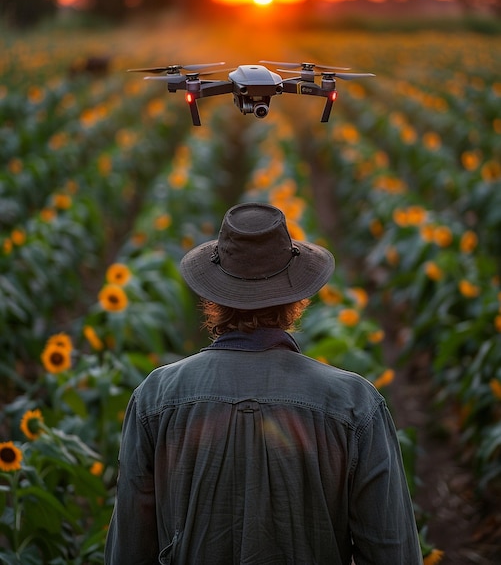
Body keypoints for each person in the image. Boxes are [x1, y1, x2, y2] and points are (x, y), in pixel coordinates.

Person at [104, 202, 422, 565]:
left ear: (213, 298)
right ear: (298, 298)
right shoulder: (354, 404)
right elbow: (392, 551)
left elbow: (130, 548)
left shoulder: (156, 397)